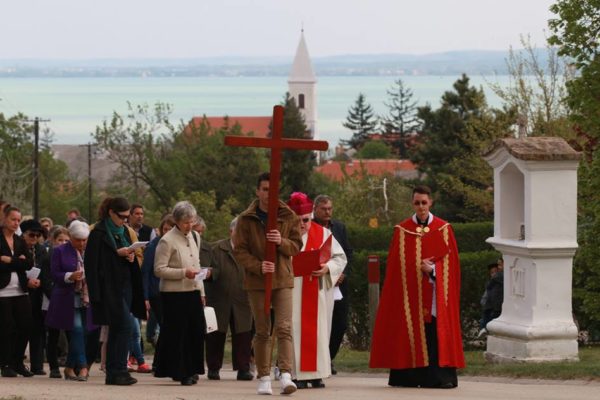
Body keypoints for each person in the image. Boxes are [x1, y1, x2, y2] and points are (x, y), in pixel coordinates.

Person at [369, 185, 465, 389]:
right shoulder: (402, 230)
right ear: (412, 204)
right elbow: (397, 269)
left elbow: (451, 266)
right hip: (410, 297)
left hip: (434, 296)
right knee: (411, 332)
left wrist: (432, 270)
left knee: (435, 333)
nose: (421, 207)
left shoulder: (443, 229)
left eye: (424, 202)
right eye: (417, 203)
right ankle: (411, 378)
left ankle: (439, 377)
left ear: (431, 202)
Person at [233, 172, 302, 395]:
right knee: (262, 330)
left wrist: (281, 242)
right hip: (257, 281)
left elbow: (296, 246)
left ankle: (285, 375)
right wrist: (258, 266)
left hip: (282, 278)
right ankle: (263, 376)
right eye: (264, 189)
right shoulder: (246, 218)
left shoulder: (288, 215)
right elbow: (239, 251)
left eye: (272, 190)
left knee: (284, 327)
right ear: (257, 191)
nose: (267, 194)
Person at [287, 192, 347, 389]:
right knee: (295, 330)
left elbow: (340, 257)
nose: (303, 225)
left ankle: (317, 374)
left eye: (305, 220)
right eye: (298, 221)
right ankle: (297, 375)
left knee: (320, 330)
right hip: (293, 290)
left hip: (317, 288)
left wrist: (327, 268)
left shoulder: (323, 233)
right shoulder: (284, 235)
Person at [84, 197, 146, 386]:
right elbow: (92, 263)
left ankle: (117, 371)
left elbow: (130, 256)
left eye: (127, 217)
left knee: (120, 329)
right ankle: (116, 369)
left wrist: (129, 256)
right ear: (111, 212)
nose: (125, 220)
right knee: (125, 326)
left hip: (125, 285)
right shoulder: (98, 233)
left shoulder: (125, 232)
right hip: (108, 287)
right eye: (121, 217)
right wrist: (116, 253)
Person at [153, 201, 206, 386]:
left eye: (191, 221)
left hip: (192, 291)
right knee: (179, 334)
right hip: (174, 294)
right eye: (185, 222)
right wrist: (183, 272)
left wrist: (202, 290)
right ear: (176, 221)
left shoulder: (195, 237)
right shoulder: (167, 240)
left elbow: (197, 264)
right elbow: (159, 270)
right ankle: (182, 371)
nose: (189, 225)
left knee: (197, 330)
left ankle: (193, 368)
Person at [205, 217, 254, 381]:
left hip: (243, 298)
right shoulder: (217, 248)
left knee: (243, 334)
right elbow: (209, 270)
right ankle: (213, 368)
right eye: (237, 231)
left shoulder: (250, 250)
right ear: (230, 231)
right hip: (219, 298)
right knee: (216, 335)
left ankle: (243, 368)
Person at [46, 220, 93, 382]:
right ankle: (83, 367)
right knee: (78, 329)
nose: (81, 243)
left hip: (87, 297)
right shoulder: (59, 251)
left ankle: (69, 368)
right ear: (71, 237)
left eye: (84, 240)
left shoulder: (91, 251)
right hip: (67, 297)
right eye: (78, 239)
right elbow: (54, 273)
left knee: (84, 332)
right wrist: (69, 276)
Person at [312, 195, 353, 374]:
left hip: (338, 286)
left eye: (330, 208)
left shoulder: (339, 228)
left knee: (339, 324)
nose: (328, 212)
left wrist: (342, 273)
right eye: (324, 209)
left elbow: (347, 254)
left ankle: (328, 358)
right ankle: (317, 360)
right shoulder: (309, 227)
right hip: (317, 283)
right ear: (315, 209)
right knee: (319, 324)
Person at [0, 206, 35, 378]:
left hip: (20, 290)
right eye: (13, 219)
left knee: (25, 325)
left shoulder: (20, 240)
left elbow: (29, 263)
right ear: (5, 218)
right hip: (3, 291)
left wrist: (10, 260)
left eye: (18, 220)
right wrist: (17, 261)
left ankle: (18, 362)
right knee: (6, 328)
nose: (16, 223)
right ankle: (5, 363)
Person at [141, 214, 175, 351]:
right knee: (165, 325)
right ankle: (160, 362)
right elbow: (145, 271)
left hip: (171, 290)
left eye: (170, 229)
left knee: (168, 326)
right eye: (165, 229)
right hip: (157, 291)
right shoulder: (154, 245)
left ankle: (162, 361)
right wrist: (145, 297)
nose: (167, 232)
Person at [20, 219, 50, 376]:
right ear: (23, 234)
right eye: (31, 235)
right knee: (21, 329)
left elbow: (45, 270)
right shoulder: (17, 248)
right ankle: (15, 362)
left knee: (38, 330)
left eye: (38, 235)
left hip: (38, 294)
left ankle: (37, 365)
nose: (34, 238)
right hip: (20, 293)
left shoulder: (41, 250)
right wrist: (26, 282)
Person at [41, 226, 71, 379]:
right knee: (52, 334)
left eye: (66, 240)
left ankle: (71, 365)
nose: (63, 243)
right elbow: (45, 279)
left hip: (68, 299)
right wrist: (54, 296)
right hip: (52, 299)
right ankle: (53, 367)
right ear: (53, 241)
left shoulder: (71, 256)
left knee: (70, 334)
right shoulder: (49, 256)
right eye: (60, 240)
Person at [484, 258, 504, 327]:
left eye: (500, 265)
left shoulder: (500, 276)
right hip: (490, 306)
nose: (499, 267)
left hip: (496, 307)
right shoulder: (494, 279)